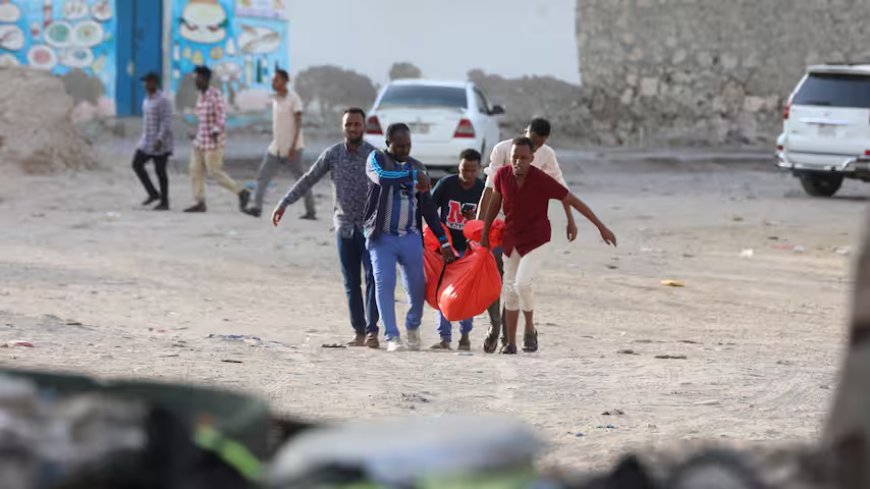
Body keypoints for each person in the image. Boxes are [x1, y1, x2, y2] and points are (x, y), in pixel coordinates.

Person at [480, 137, 616, 354]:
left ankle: (530, 328)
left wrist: (601, 226)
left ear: (532, 159)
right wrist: (484, 232)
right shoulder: (502, 176)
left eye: (524, 158)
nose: (518, 162)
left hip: (537, 239)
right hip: (512, 239)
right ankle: (510, 343)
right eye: (515, 157)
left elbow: (572, 200)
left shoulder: (541, 180)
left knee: (522, 284)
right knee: (510, 290)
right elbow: (494, 204)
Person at [272, 108, 380, 348]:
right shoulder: (333, 154)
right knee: (351, 283)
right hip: (343, 228)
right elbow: (309, 178)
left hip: (370, 228)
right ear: (343, 127)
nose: (353, 128)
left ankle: (373, 331)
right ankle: (359, 332)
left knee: (373, 278)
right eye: (348, 124)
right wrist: (284, 203)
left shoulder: (374, 156)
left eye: (357, 124)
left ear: (364, 127)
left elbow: (390, 186)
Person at [476, 118, 577, 352]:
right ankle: (495, 325)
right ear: (524, 133)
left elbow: (561, 188)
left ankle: (508, 336)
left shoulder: (546, 155)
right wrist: (480, 226)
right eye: (532, 141)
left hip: (525, 226)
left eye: (538, 145)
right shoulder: (502, 150)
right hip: (499, 220)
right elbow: (489, 189)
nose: (533, 148)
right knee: (495, 276)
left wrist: (570, 219)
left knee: (513, 282)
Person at [364, 123, 455, 352]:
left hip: (411, 237)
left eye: (408, 145)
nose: (404, 150)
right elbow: (383, 178)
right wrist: (413, 176)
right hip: (381, 237)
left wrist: (443, 240)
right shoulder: (376, 160)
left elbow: (428, 210)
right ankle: (392, 336)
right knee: (384, 283)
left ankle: (412, 326)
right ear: (388, 143)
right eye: (399, 145)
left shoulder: (418, 167)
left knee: (417, 286)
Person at [428, 149, 485, 351]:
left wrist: (473, 220)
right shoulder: (447, 184)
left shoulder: (482, 189)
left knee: (465, 294)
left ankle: (465, 335)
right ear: (458, 166)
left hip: (469, 249)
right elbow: (430, 210)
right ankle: (444, 338)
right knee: (443, 291)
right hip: (447, 247)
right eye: (463, 169)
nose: (467, 175)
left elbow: (487, 221)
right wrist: (439, 241)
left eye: (472, 170)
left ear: (478, 169)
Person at [246, 69, 315, 219]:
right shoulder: (275, 98)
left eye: (276, 80)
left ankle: (311, 211)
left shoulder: (294, 98)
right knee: (263, 176)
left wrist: (292, 147)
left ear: (284, 81)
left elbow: (298, 124)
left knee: (301, 180)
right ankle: (257, 207)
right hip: (276, 147)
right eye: (272, 80)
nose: (273, 82)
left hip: (293, 148)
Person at [184, 65, 250, 214]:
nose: (196, 81)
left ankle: (241, 191)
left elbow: (221, 116)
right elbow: (201, 119)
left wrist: (215, 131)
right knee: (195, 170)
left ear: (206, 79)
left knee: (214, 172)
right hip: (200, 141)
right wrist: (195, 133)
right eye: (195, 78)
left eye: (199, 78)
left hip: (213, 142)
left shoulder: (215, 95)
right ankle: (200, 202)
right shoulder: (200, 96)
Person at [132, 72, 173, 211]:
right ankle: (153, 193)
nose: (146, 85)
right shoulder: (147, 99)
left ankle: (165, 202)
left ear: (155, 83)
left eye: (149, 82)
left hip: (160, 142)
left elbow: (166, 121)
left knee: (160, 171)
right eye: (145, 82)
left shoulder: (163, 100)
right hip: (146, 140)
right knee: (136, 164)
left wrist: (160, 138)